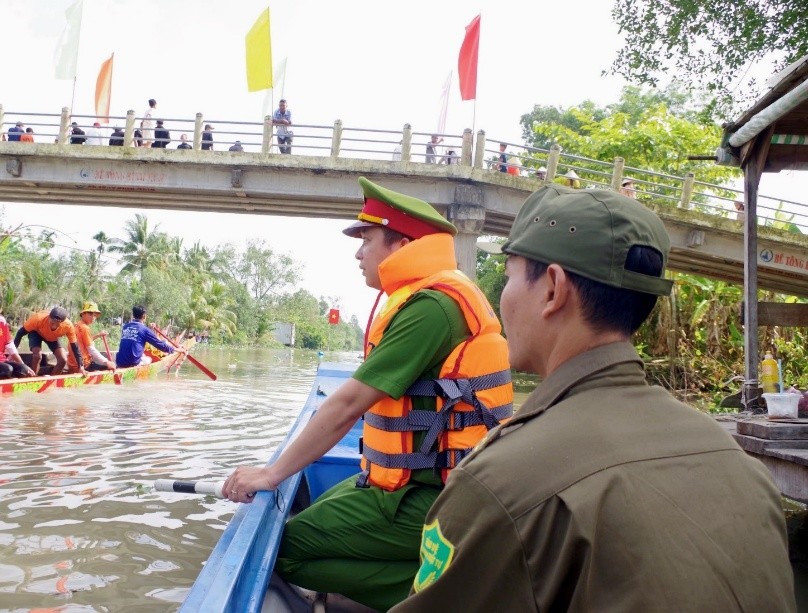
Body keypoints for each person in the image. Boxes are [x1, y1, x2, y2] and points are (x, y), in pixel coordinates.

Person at [393, 186, 795, 612]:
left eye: (509, 277)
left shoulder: (501, 481)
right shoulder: (740, 466)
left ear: (553, 289)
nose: (502, 298)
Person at [222, 177, 514, 610]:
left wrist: (270, 475)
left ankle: (449, 595)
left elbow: (348, 404)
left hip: (436, 497)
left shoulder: (431, 309)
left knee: (279, 551)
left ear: (403, 245)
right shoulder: (429, 297)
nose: (359, 253)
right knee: (313, 511)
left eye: (368, 240)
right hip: (408, 485)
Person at [13, 306, 84, 376]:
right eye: (52, 323)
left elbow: (75, 347)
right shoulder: (38, 318)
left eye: (57, 324)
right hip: (36, 333)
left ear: (62, 322)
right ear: (49, 317)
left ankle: (53, 379)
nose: (53, 326)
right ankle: (32, 378)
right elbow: (20, 333)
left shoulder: (68, 326)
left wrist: (81, 366)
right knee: (37, 356)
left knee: (63, 359)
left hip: (53, 337)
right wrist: (13, 352)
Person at [114, 305, 180, 368]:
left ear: (133, 315)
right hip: (133, 362)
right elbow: (159, 345)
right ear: (144, 316)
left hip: (120, 362)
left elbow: (137, 336)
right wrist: (174, 349)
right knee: (149, 359)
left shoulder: (125, 327)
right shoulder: (144, 329)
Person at [66, 301, 116, 373]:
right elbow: (91, 349)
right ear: (83, 314)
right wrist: (107, 362)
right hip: (84, 366)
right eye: (90, 314)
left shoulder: (77, 325)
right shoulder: (85, 328)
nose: (93, 317)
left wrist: (98, 335)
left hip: (71, 365)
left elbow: (84, 342)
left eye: (95, 315)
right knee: (111, 368)